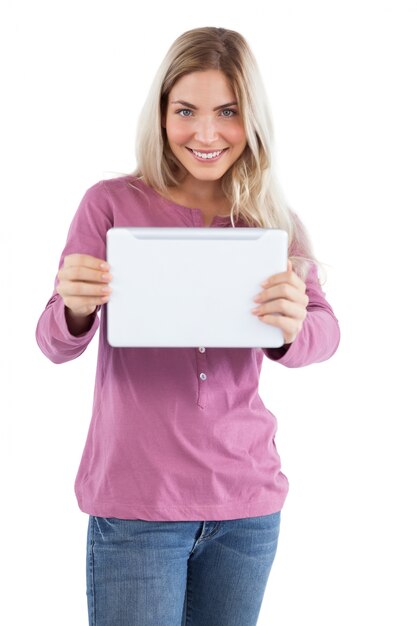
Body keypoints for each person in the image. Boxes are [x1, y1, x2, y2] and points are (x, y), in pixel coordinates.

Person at [36, 26, 340, 626]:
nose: (206, 133)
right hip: (138, 505)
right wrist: (74, 307)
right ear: (161, 113)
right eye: (186, 111)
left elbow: (325, 332)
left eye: (227, 111)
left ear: (251, 118)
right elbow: (51, 341)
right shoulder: (109, 204)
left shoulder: (270, 217)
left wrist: (289, 324)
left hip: (246, 506)